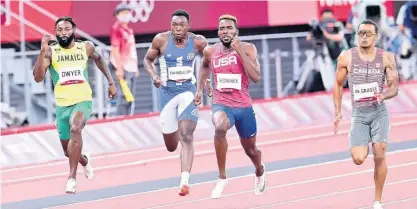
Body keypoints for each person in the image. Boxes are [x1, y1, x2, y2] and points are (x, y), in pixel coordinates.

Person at [33, 16, 117, 194]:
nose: (63, 33)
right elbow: (38, 78)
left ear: (74, 30)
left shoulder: (85, 47)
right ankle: (84, 161)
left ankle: (71, 178)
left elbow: (99, 58)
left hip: (82, 100)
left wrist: (111, 82)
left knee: (75, 129)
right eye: (60, 30)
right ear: (56, 32)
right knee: (68, 151)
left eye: (67, 29)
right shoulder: (51, 52)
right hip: (62, 105)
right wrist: (42, 52)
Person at [194, 14, 266, 199]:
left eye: (229, 28)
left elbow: (256, 77)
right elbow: (204, 66)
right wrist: (200, 88)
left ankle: (259, 170)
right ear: (218, 32)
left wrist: (239, 51)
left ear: (236, 31)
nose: (225, 31)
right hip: (222, 103)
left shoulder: (248, 48)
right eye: (222, 28)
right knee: (219, 127)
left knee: (251, 151)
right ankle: (222, 176)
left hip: (244, 106)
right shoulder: (211, 51)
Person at [143, 9, 211, 196]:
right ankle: (178, 158)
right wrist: (154, 75)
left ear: (188, 27)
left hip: (188, 91)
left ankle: (184, 181)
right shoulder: (160, 40)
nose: (178, 28)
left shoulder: (198, 41)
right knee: (171, 146)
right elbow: (147, 60)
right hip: (167, 94)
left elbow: (208, 62)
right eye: (174, 25)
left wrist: (201, 86)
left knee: (186, 135)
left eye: (182, 25)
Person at [333, 19, 399, 209]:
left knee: (380, 154)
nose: (363, 37)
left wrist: (383, 94)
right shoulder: (346, 57)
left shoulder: (386, 57)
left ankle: (377, 201)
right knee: (358, 159)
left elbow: (394, 87)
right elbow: (337, 84)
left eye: (367, 34)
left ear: (376, 37)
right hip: (359, 114)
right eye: (360, 33)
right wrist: (337, 112)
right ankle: (363, 140)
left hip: (379, 112)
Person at [110, 2, 140, 116]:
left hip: (130, 67)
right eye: (123, 13)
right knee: (124, 97)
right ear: (117, 15)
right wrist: (119, 68)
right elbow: (115, 49)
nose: (126, 15)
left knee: (131, 97)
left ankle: (129, 117)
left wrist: (135, 67)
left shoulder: (128, 29)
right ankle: (120, 119)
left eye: (127, 12)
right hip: (123, 67)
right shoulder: (116, 29)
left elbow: (132, 50)